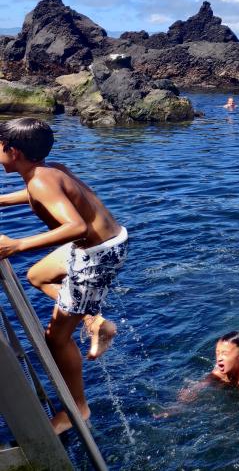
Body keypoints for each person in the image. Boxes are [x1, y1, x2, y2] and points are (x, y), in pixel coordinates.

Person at [0, 118, 128, 434]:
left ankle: (77, 410)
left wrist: (17, 245)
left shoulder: (41, 182)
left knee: (55, 337)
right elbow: (39, 194)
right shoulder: (47, 171)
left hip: (95, 254)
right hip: (106, 243)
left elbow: (75, 226)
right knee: (38, 275)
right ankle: (95, 320)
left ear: (13, 152)